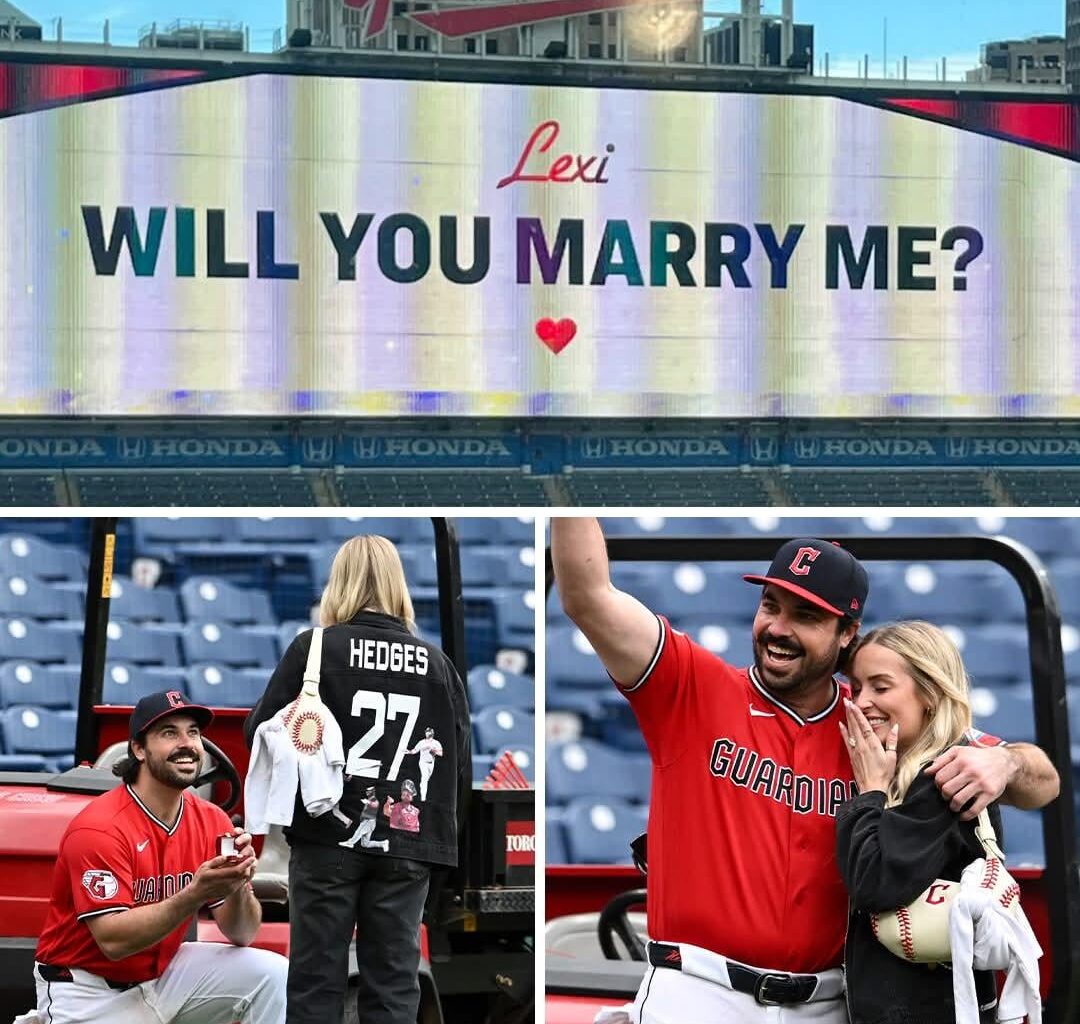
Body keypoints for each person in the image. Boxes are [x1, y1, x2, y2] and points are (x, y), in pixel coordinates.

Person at [551, 518, 1059, 1024]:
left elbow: (1044, 782)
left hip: (831, 1002)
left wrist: (1005, 760)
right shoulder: (692, 688)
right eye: (770, 605)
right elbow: (586, 595)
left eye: (806, 615)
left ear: (847, 634)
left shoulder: (874, 723)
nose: (778, 628)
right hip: (697, 992)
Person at [244, 534, 470, 1024]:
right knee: (393, 987)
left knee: (315, 981)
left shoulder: (315, 648)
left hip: (328, 838)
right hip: (411, 842)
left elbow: (259, 734)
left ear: (338, 582)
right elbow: (459, 766)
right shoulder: (437, 663)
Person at [31, 690, 287, 1024]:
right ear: (138, 749)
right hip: (88, 989)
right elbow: (114, 942)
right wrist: (195, 894)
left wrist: (238, 883)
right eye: (170, 733)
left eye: (193, 732)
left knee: (274, 975)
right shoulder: (100, 828)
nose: (187, 743)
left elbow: (242, 934)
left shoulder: (213, 820)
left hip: (164, 974)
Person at [837, 621, 1031, 1024]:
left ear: (928, 692)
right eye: (856, 688)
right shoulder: (924, 769)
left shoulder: (942, 777)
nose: (861, 701)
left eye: (881, 686)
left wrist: (869, 792)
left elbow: (875, 883)